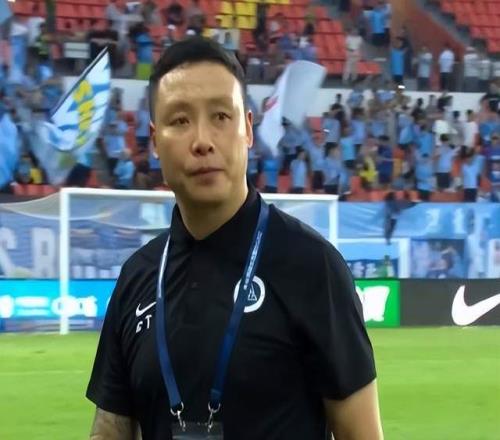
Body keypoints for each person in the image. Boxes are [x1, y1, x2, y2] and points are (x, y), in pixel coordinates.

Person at [86, 37, 383, 439]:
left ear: (247, 128)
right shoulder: (137, 277)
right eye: (180, 121)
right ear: (154, 141)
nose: (202, 141)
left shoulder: (313, 267)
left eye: (221, 116)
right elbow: (110, 429)